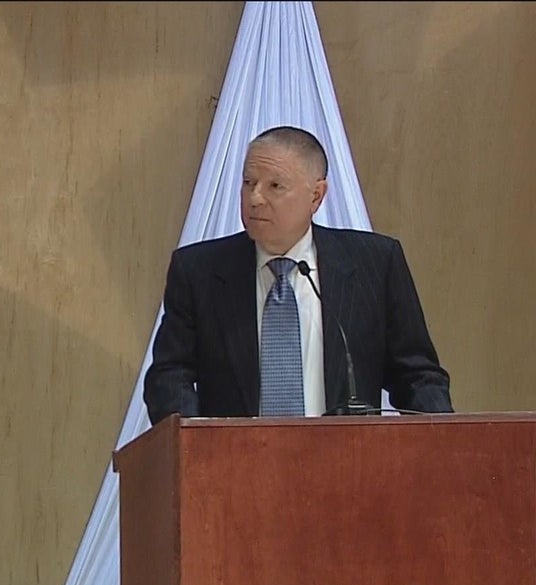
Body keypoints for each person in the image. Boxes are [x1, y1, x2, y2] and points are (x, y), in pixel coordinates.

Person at [143, 125, 452, 424]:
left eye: (275, 186)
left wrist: (446, 443)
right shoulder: (199, 271)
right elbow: (169, 377)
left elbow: (417, 376)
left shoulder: (376, 263)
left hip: (347, 465)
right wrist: (196, 447)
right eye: (249, 182)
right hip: (236, 467)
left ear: (316, 196)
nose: (255, 198)